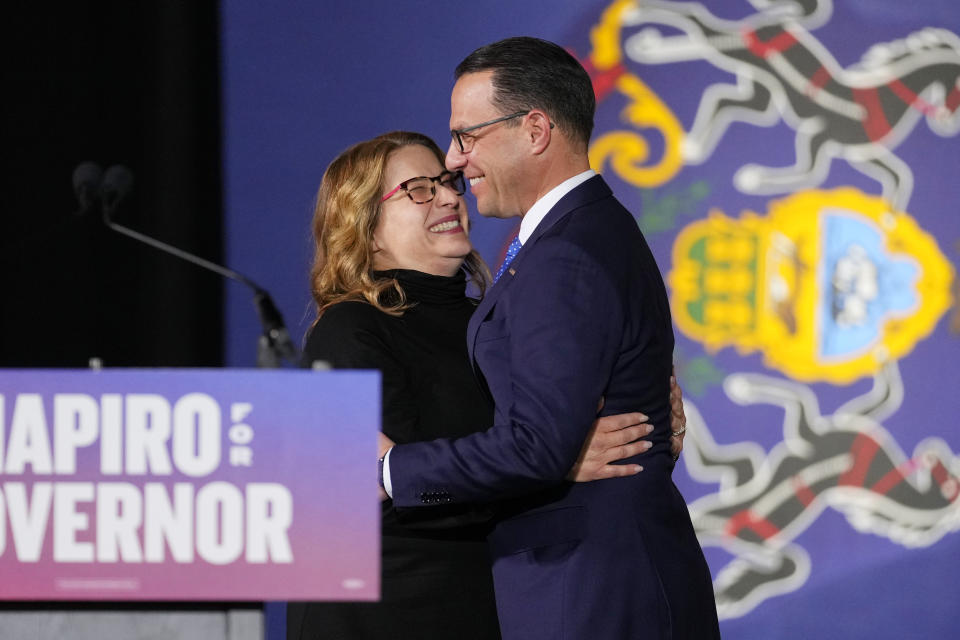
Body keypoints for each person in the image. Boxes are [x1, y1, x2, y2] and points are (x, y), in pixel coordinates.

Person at [381, 38, 720, 639]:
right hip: (586, 575)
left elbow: (536, 444)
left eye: (467, 136)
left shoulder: (564, 254)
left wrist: (387, 472)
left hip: (589, 587)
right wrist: (557, 453)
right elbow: (544, 438)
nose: (455, 162)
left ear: (535, 129)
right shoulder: (581, 232)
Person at [287, 131, 684, 640]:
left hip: (490, 603)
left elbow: (532, 438)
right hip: (387, 616)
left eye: (448, 181)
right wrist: (554, 464)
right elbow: (381, 493)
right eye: (419, 189)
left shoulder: (492, 319)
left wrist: (649, 415)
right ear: (364, 227)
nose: (451, 195)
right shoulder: (348, 329)